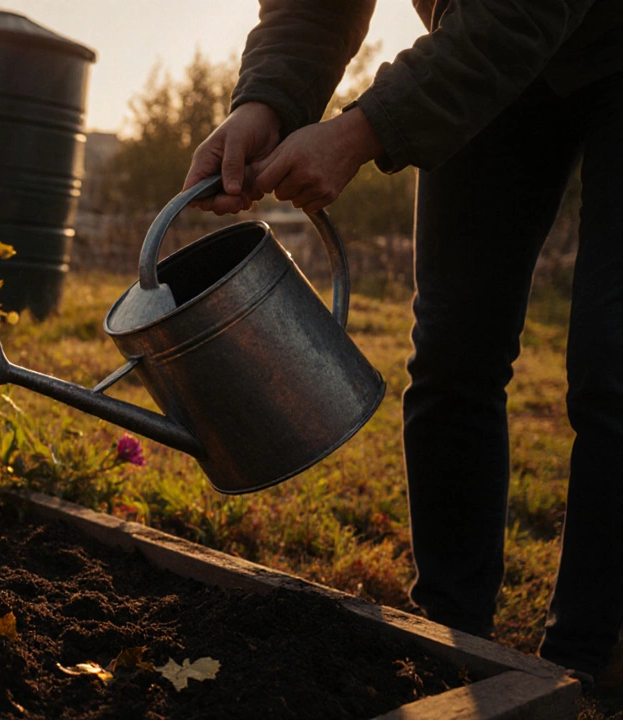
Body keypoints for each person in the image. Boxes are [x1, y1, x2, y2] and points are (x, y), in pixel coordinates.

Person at [183, 0, 623, 679]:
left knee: (612, 368)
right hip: (484, 36)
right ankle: (450, 638)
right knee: (453, 349)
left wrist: (363, 131)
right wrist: (266, 100)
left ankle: (584, 666)